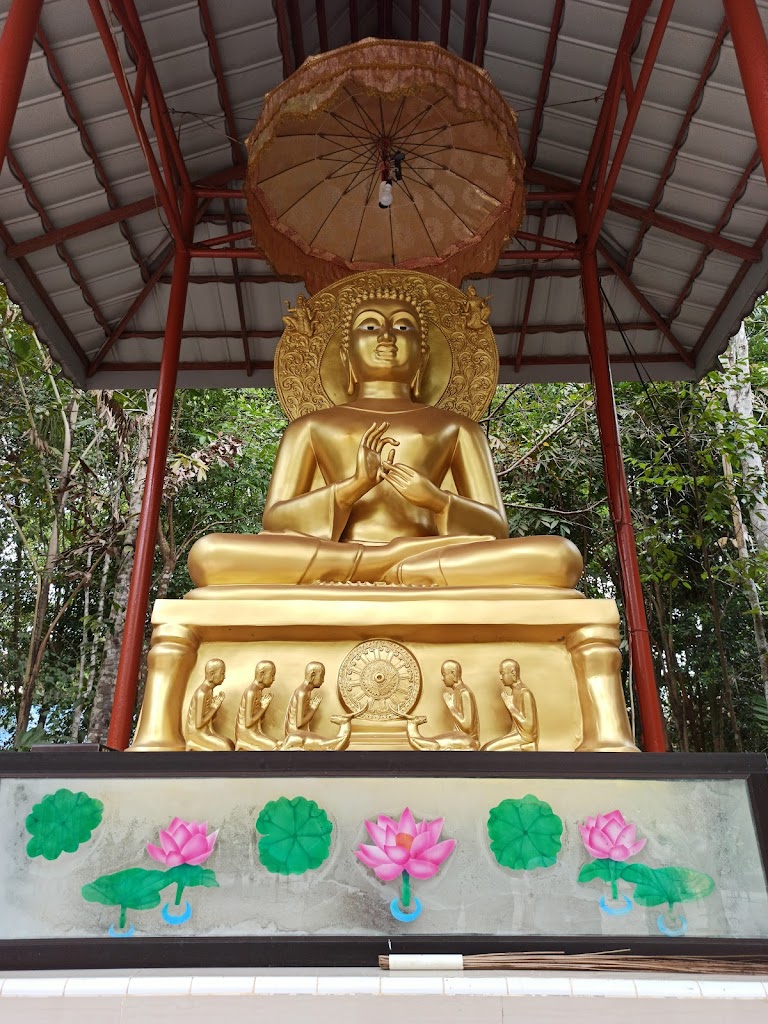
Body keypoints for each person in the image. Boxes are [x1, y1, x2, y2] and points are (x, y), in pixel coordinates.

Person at [188, 287, 582, 589]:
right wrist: (353, 486)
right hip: (352, 554)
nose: (387, 337)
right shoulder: (310, 427)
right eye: (370, 326)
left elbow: (495, 527)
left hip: (427, 552)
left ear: (423, 357)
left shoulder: (458, 428)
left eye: (403, 327)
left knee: (559, 557)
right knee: (210, 554)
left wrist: (435, 500)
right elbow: (276, 520)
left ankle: (382, 565)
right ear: (346, 356)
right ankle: (391, 566)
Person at [404, 660, 480, 751]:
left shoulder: (464, 692)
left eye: (444, 674)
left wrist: (451, 706)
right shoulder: (457, 691)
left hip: (466, 741)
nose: (442, 678)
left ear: (453, 673)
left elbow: (467, 726)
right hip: (458, 737)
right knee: (431, 743)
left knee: (433, 745)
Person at [483, 659, 539, 751]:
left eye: (503, 673)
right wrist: (509, 705)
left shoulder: (525, 693)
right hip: (516, 734)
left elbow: (529, 727)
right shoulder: (515, 691)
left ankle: (527, 747)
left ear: (513, 673)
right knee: (486, 748)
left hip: (525, 737)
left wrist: (511, 706)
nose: (501, 677)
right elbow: (515, 722)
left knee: (487, 750)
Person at [185, 658, 234, 751]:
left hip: (206, 731)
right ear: (212, 675)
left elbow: (209, 719)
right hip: (197, 734)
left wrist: (215, 706)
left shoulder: (209, 690)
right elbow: (199, 724)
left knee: (229, 743)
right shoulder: (202, 693)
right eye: (222, 673)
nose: (224, 677)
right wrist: (214, 707)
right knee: (226, 747)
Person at [235, 660, 278, 751]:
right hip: (247, 734)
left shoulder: (258, 691)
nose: (274, 679)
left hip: (255, 732)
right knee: (276, 747)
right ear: (262, 674)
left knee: (279, 744)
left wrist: (264, 706)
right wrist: (263, 707)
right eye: (272, 675)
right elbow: (248, 723)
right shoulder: (251, 692)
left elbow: (259, 721)